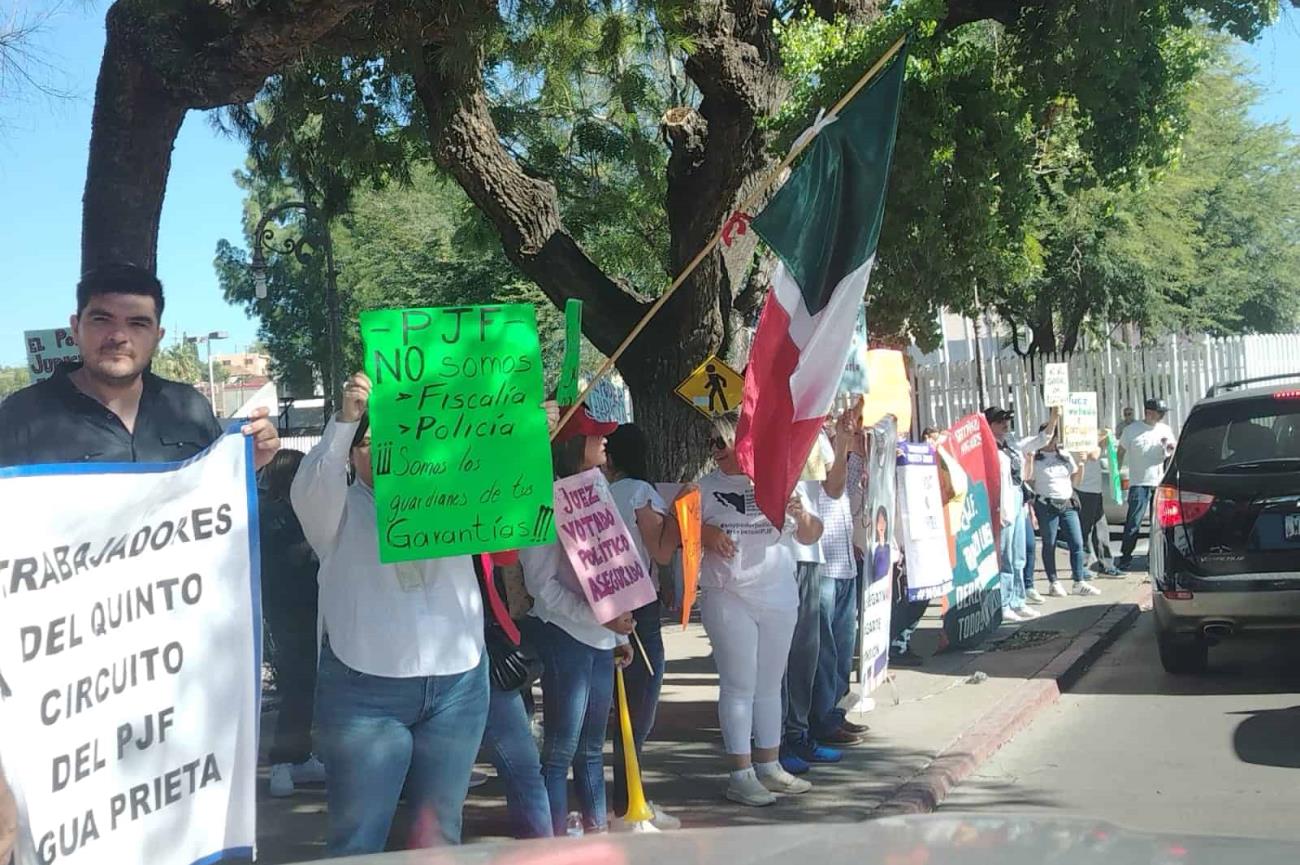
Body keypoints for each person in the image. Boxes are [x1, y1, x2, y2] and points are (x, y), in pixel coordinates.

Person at [0, 263, 280, 857]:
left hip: (172, 676)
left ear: (157, 334)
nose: (118, 335)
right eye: (102, 319)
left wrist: (247, 468)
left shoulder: (189, 412)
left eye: (137, 322)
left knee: (175, 825)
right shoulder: (18, 422)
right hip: (68, 685)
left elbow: (211, 524)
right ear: (76, 328)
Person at [292, 372, 488, 855]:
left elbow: (511, 498)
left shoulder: (454, 496)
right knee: (358, 841)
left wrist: (526, 433)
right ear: (353, 453)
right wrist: (345, 421)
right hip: (366, 691)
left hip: (459, 685)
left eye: (397, 438)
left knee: (440, 836)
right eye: (369, 443)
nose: (382, 452)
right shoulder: (335, 510)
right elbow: (311, 490)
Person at [520, 405, 635, 836]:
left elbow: (612, 568)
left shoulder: (599, 491)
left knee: (591, 749)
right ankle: (550, 838)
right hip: (565, 637)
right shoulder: (542, 501)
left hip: (602, 641)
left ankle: (597, 828)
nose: (605, 441)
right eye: (594, 435)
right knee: (560, 750)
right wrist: (601, 618)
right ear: (571, 446)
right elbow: (542, 587)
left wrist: (618, 626)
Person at [699, 416, 823, 807]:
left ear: (745, 442)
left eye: (723, 441)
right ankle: (740, 773)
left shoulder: (778, 480)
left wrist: (801, 514)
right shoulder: (703, 488)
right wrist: (707, 534)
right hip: (727, 593)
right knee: (739, 683)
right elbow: (679, 530)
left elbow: (810, 533)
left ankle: (769, 764)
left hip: (777, 593)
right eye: (712, 442)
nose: (716, 450)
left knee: (770, 684)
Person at [603, 423, 689, 831]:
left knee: (619, 702)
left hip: (604, 601)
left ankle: (626, 799)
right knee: (640, 704)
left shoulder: (599, 492)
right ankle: (629, 803)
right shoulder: (641, 493)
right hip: (640, 605)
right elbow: (661, 550)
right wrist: (681, 517)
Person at [258, 449, 328, 798]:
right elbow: (298, 560)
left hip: (291, 610)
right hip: (292, 612)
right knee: (299, 686)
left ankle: (299, 755)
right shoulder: (282, 517)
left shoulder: (272, 513)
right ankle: (282, 761)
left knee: (306, 686)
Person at [804, 411, 866, 762]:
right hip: (822, 560)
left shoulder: (826, 438)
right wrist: (842, 445)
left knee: (842, 646)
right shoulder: (808, 440)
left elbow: (849, 493)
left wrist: (852, 445)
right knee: (824, 650)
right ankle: (822, 719)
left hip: (843, 560)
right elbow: (833, 486)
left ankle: (836, 713)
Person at [984, 406, 1058, 622]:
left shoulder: (1012, 442)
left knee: (1019, 553)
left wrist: (1054, 417)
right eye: (999, 421)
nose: (1005, 424)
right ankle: (1005, 602)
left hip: (1018, 496)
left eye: (1007, 420)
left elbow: (1041, 439)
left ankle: (1018, 599)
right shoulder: (987, 447)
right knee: (1005, 553)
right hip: (1002, 501)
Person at [1030, 424, 1100, 597]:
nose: (1052, 440)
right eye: (1049, 436)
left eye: (1054, 436)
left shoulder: (1065, 455)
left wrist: (1082, 465)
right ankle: (1053, 582)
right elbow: (1030, 480)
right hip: (1047, 504)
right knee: (1050, 543)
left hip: (1067, 502)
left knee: (1076, 542)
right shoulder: (1035, 458)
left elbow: (1075, 481)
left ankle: (1079, 581)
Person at [1116, 398, 1177, 570]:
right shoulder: (1131, 430)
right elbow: (1120, 453)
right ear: (1149, 412)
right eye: (1160, 413)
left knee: (1157, 523)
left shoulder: (1165, 429)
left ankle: (1154, 558)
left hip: (1159, 483)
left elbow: (1171, 451)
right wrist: (1117, 474)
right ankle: (1125, 557)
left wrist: (1169, 448)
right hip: (1139, 483)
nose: (1162, 416)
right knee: (1134, 522)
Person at [1076, 431, 1123, 577]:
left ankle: (1106, 564)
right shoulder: (1077, 441)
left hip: (1095, 490)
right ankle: (1081, 565)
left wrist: (1103, 437)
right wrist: (1100, 438)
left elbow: (1102, 446)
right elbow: (1094, 455)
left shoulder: (1092, 440)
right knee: (1085, 529)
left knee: (1101, 527)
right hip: (1083, 489)